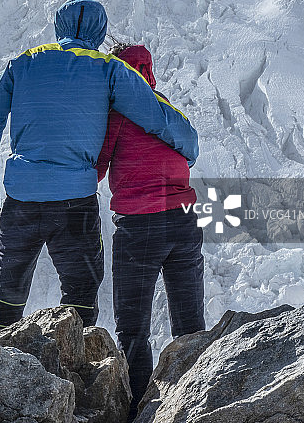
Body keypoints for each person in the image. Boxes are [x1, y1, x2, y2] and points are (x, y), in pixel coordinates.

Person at [0, 0, 199, 332]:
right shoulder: (108, 69)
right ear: (101, 31)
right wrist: (189, 148)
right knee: (80, 298)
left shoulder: (22, 63)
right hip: (74, 204)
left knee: (7, 300)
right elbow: (156, 117)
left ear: (57, 26)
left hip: (22, 200)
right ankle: (72, 372)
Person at [96, 43, 204, 421]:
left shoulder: (116, 114)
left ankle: (137, 409)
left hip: (139, 226)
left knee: (132, 327)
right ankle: (200, 396)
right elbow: (190, 150)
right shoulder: (166, 109)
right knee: (190, 323)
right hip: (184, 220)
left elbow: (94, 167)